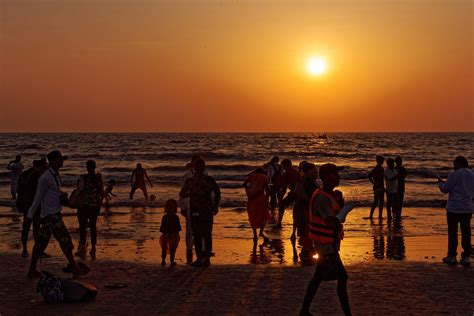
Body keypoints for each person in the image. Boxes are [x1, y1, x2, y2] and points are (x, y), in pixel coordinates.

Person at [26, 150, 89, 278]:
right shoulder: (45, 178)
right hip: (51, 216)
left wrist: (62, 196)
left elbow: (54, 193)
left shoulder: (55, 175)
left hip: (52, 215)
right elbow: (38, 198)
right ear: (54, 161)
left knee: (41, 244)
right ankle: (75, 268)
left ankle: (32, 269)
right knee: (65, 241)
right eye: (60, 159)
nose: (62, 162)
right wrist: (29, 217)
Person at [300, 163, 351, 316]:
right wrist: (345, 210)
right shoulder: (322, 198)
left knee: (318, 278)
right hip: (325, 246)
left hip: (326, 245)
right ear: (327, 177)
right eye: (335, 174)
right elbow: (331, 221)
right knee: (342, 276)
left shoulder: (328, 195)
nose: (338, 177)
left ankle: (303, 311)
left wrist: (340, 202)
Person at [179, 158, 221, 267]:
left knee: (198, 235)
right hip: (206, 210)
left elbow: (182, 194)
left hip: (197, 211)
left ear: (194, 168)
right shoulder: (209, 180)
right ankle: (205, 258)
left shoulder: (190, 181)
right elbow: (217, 193)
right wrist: (215, 206)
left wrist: (192, 195)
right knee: (206, 235)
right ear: (204, 168)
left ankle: (200, 258)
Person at [438, 156, 474, 266]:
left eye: (455, 164)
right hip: (467, 208)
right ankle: (466, 256)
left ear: (459, 163)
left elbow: (445, 189)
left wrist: (440, 182)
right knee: (466, 232)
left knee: (453, 232)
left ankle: (452, 256)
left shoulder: (454, 174)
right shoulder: (472, 174)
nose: (453, 166)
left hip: (454, 207)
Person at [16, 159, 47, 257]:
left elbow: (18, 190)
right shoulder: (38, 175)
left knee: (25, 227)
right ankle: (38, 250)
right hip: (35, 204)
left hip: (25, 204)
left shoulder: (24, 174)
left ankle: (25, 249)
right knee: (36, 228)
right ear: (41, 166)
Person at [75, 160, 104, 259]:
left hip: (84, 206)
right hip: (95, 206)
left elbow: (79, 191)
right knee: (93, 226)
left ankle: (83, 247)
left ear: (87, 168)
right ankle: (93, 247)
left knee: (83, 227)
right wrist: (99, 203)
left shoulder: (83, 178)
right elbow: (102, 193)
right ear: (95, 167)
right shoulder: (98, 178)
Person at [294, 162, 319, 263]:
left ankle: (307, 254)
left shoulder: (304, 179)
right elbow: (309, 196)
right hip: (307, 210)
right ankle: (306, 255)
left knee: (306, 231)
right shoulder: (308, 180)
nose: (316, 173)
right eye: (314, 171)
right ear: (309, 171)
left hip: (303, 209)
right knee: (308, 231)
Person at [243, 168, 271, 242]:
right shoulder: (265, 177)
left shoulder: (251, 176)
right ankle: (261, 232)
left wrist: (250, 190)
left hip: (252, 199)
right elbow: (267, 190)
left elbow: (244, 184)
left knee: (253, 216)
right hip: (261, 198)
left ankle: (255, 235)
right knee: (265, 216)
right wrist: (268, 199)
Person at [275, 159, 300, 229]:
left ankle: (279, 223)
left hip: (294, 193)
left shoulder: (286, 174)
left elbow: (284, 188)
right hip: (300, 192)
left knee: (282, 204)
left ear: (284, 166)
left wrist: (280, 199)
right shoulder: (297, 172)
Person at [159, 199, 181, 267]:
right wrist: (173, 234)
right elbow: (178, 228)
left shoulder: (165, 217)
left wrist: (166, 234)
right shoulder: (176, 217)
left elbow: (162, 228)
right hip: (173, 236)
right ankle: (170, 261)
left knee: (165, 249)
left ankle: (164, 261)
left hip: (166, 235)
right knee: (172, 249)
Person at [368, 155, 385, 220]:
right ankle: (372, 215)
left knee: (380, 202)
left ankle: (378, 215)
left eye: (382, 160)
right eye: (381, 160)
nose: (382, 161)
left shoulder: (380, 168)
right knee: (377, 202)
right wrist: (374, 183)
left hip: (380, 186)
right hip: (378, 187)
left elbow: (370, 176)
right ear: (378, 161)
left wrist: (373, 183)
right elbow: (369, 176)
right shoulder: (377, 168)